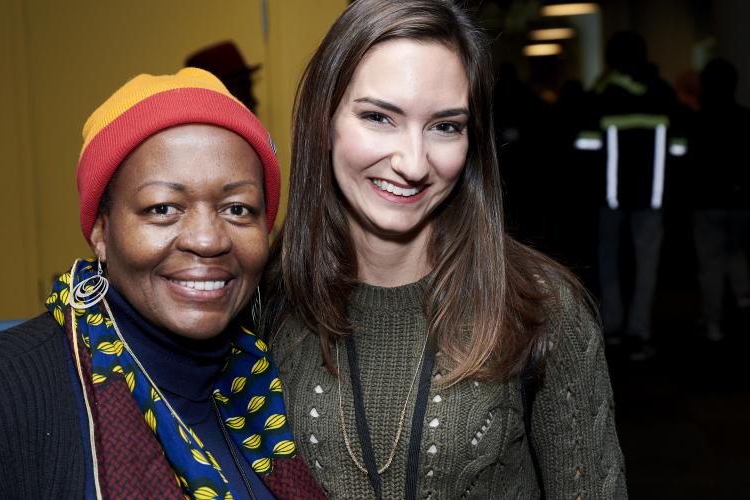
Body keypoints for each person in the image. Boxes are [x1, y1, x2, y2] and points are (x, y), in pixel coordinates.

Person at [0, 68, 324, 499]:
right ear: (101, 231)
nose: (207, 239)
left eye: (238, 209)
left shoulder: (277, 384)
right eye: (162, 208)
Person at [262, 1, 627, 498]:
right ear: (322, 120)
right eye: (379, 117)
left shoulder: (540, 307)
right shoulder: (264, 299)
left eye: (445, 126)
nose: (414, 164)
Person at [577, 31, 684, 359]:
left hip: (610, 195)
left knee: (609, 260)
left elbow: (585, 147)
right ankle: (640, 330)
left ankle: (613, 327)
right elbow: (679, 148)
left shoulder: (603, 93)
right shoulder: (664, 92)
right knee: (646, 262)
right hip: (652, 194)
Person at [689, 58, 750, 340]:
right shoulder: (744, 118)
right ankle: (743, 302)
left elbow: (690, 164)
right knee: (736, 254)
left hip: (707, 202)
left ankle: (714, 322)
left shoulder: (698, 121)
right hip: (739, 202)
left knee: (711, 262)